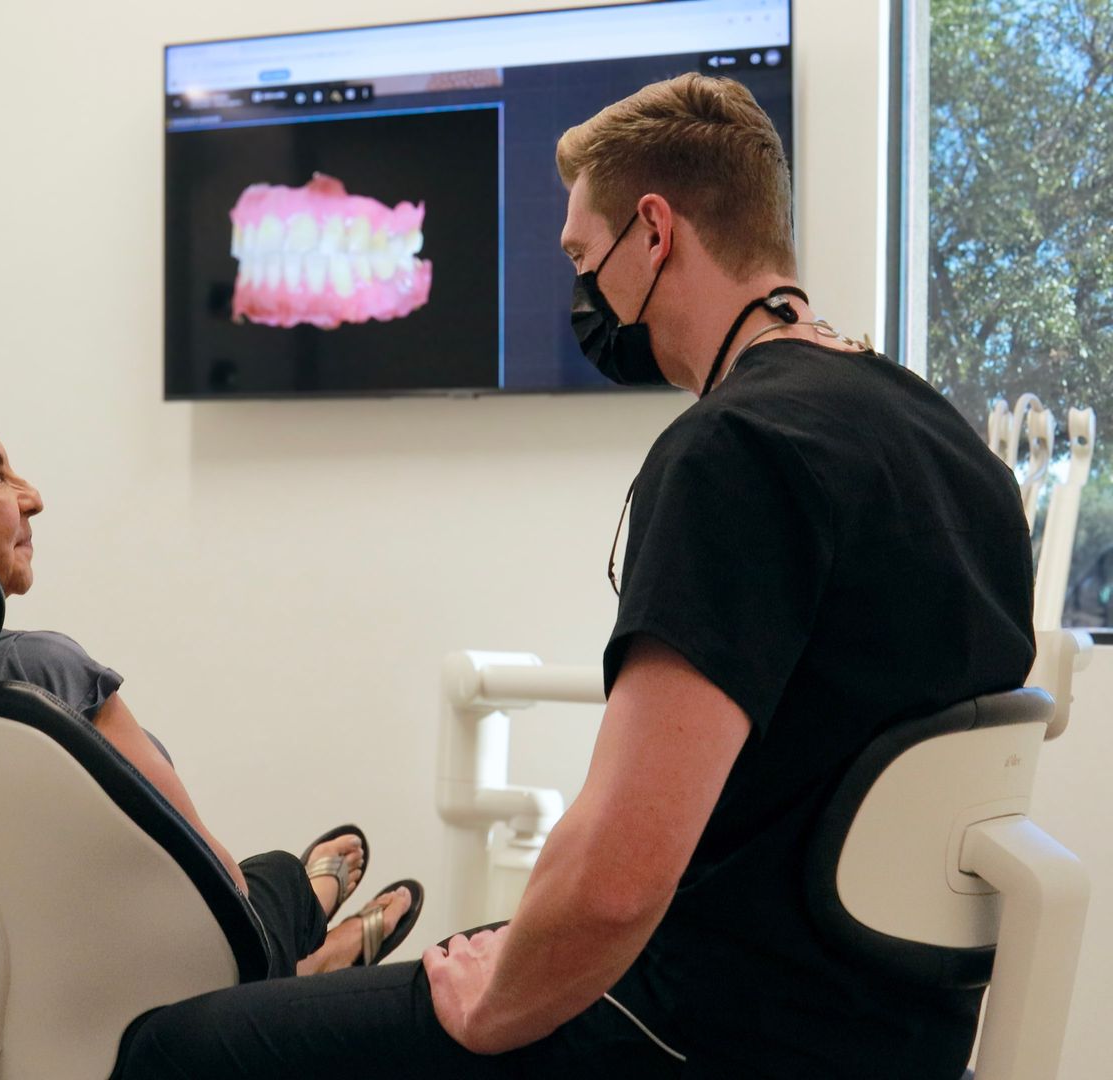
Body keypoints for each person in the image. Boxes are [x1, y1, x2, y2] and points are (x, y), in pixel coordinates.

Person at [107, 73, 1034, 1080]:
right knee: (456, 960)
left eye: (584, 260)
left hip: (709, 1027)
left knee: (177, 1049)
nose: (584, 298)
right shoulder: (953, 447)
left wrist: (500, 1007)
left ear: (654, 231)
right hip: (893, 1035)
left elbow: (616, 884)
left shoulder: (735, 449)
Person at [0, 380, 424, 977]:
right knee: (267, 877)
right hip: (121, 985)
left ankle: (309, 931)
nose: (32, 498)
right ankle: (313, 926)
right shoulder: (43, 675)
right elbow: (214, 887)